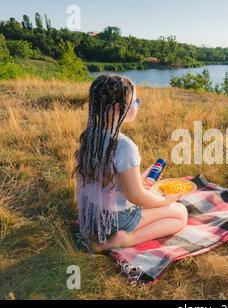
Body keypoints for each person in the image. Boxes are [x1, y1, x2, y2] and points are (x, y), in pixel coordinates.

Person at [72, 74, 188, 253]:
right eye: (136, 101)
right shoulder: (123, 145)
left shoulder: (90, 135)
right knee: (180, 213)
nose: (138, 105)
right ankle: (124, 240)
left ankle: (114, 235)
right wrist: (165, 201)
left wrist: (140, 180)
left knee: (153, 191)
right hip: (115, 219)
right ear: (119, 108)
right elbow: (136, 197)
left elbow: (110, 181)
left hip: (93, 214)